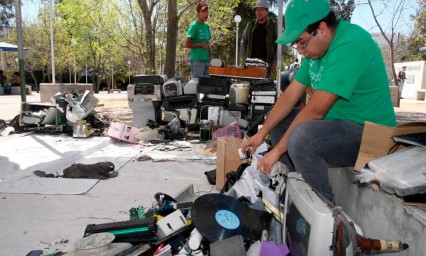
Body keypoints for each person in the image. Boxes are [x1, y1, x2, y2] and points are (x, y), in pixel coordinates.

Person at [241, 0, 396, 201]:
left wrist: (277, 151)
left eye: (302, 42)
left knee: (301, 138)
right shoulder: (316, 51)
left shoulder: (349, 44)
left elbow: (315, 112)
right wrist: (262, 133)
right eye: (296, 44)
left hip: (369, 133)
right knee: (279, 122)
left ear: (322, 29)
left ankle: (324, 213)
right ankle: (291, 188)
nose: (299, 50)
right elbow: (290, 95)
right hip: (338, 124)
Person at [240, 0, 278, 71]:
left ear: (267, 11)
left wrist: (275, 62)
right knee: (250, 82)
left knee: (264, 82)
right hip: (251, 62)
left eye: (261, 10)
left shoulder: (274, 25)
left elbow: (280, 45)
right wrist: (244, 58)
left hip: (267, 64)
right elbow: (243, 41)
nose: (259, 12)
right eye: (257, 10)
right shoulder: (250, 25)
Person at [184, 2, 211, 79]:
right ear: (198, 13)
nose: (205, 14)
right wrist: (199, 44)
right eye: (203, 11)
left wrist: (210, 57)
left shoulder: (207, 26)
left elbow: (207, 43)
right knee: (196, 85)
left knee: (206, 86)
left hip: (207, 61)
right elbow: (186, 44)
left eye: (207, 11)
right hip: (197, 61)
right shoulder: (194, 26)